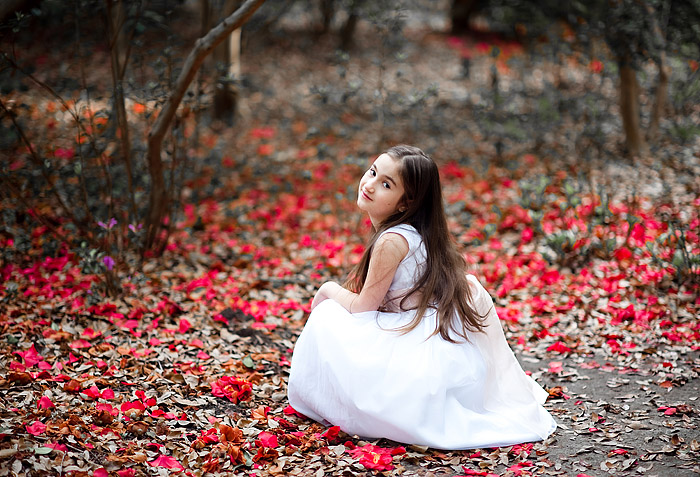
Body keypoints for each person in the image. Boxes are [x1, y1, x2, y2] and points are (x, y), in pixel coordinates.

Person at [287, 145, 556, 450]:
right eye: (373, 171)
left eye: (387, 184)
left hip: (417, 355)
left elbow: (363, 308)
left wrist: (327, 289)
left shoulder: (392, 240)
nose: (370, 183)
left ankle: (336, 400)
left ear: (406, 202)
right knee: (336, 313)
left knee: (327, 315)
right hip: (432, 341)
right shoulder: (418, 232)